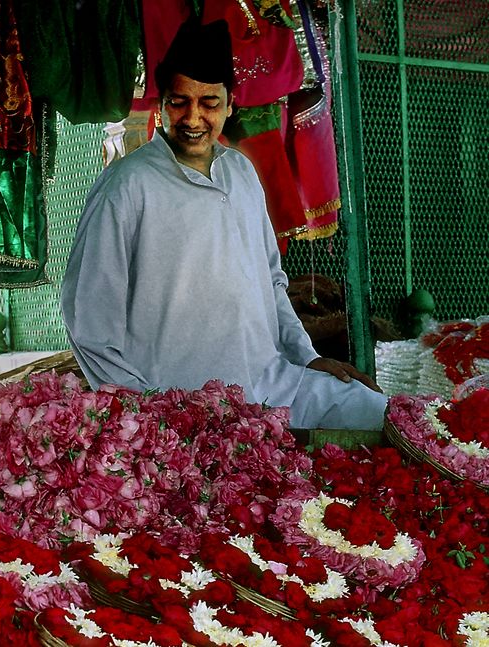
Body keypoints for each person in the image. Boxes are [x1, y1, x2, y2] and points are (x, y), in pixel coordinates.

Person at [60, 19, 388, 430]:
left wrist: (306, 356)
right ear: (161, 106)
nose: (193, 117)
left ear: (230, 105)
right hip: (182, 407)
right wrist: (141, 412)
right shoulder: (127, 186)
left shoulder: (242, 173)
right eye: (179, 102)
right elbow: (87, 318)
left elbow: (272, 279)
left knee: (381, 415)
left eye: (209, 103)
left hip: (275, 387)